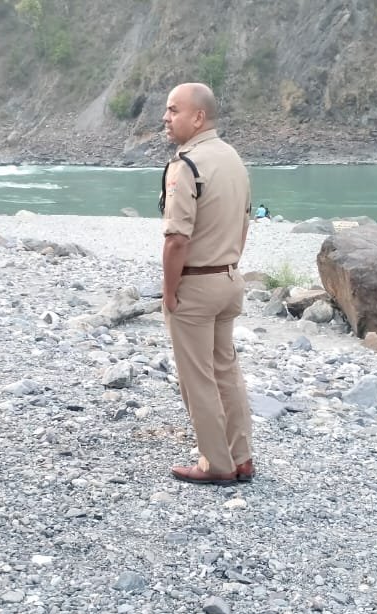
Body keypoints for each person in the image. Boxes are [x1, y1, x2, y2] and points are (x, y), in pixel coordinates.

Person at [158, 83, 254, 486]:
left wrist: (169, 292)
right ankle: (241, 457)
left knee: (197, 378)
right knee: (225, 371)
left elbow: (177, 239)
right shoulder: (233, 159)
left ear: (198, 117)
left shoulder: (187, 165)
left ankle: (215, 463)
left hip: (196, 285)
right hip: (229, 278)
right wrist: (229, 265)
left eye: (173, 110)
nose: (165, 118)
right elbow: (245, 223)